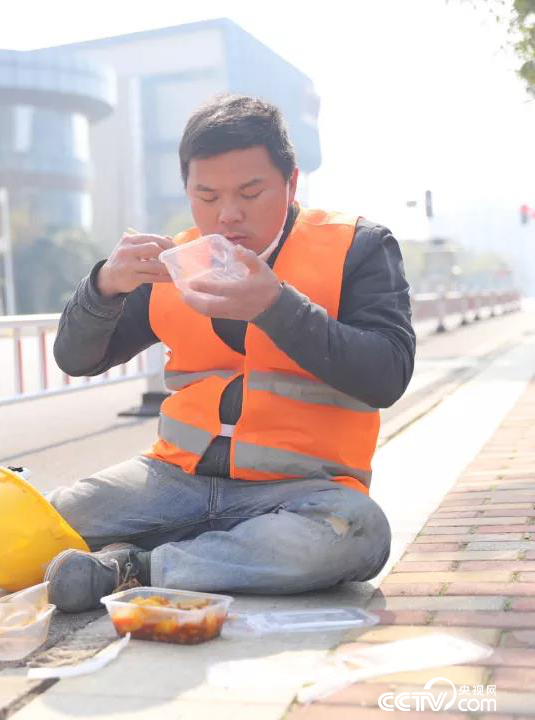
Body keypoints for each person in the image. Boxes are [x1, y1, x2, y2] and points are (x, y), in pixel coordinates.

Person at [43, 94, 415, 613]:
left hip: (304, 492)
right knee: (39, 519)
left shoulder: (359, 247)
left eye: (250, 191)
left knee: (359, 532)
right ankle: (202, 556)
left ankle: (137, 567)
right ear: (188, 191)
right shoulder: (175, 261)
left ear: (291, 182)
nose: (228, 215)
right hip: (173, 481)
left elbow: (388, 374)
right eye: (207, 195)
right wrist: (104, 286)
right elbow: (75, 358)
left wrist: (275, 305)